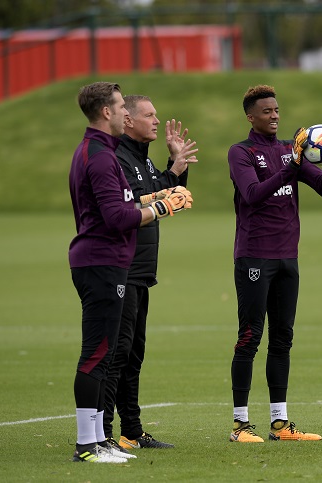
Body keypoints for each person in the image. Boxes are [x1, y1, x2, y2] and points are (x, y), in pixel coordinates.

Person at [69, 82, 193, 463]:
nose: (127, 113)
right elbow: (119, 215)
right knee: (102, 355)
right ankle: (92, 443)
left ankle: (103, 439)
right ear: (107, 112)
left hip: (112, 262)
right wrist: (162, 207)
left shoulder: (100, 151)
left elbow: (137, 197)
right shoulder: (105, 156)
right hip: (104, 262)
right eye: (124, 107)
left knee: (114, 354)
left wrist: (168, 183)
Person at [227, 84, 322, 443]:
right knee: (249, 338)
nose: (274, 116)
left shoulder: (288, 151)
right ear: (251, 116)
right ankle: (240, 426)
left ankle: (280, 423)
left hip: (287, 258)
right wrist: (290, 167)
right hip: (254, 256)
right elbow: (253, 195)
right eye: (266, 111)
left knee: (283, 339)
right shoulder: (241, 152)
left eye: (277, 110)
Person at [102, 95, 199, 453]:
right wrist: (172, 174)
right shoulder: (119, 158)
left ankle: (132, 430)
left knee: (134, 352)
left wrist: (176, 166)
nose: (157, 121)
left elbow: (160, 191)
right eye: (149, 115)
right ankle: (104, 434)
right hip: (121, 268)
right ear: (128, 120)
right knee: (118, 351)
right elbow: (137, 201)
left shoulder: (139, 158)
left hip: (140, 270)